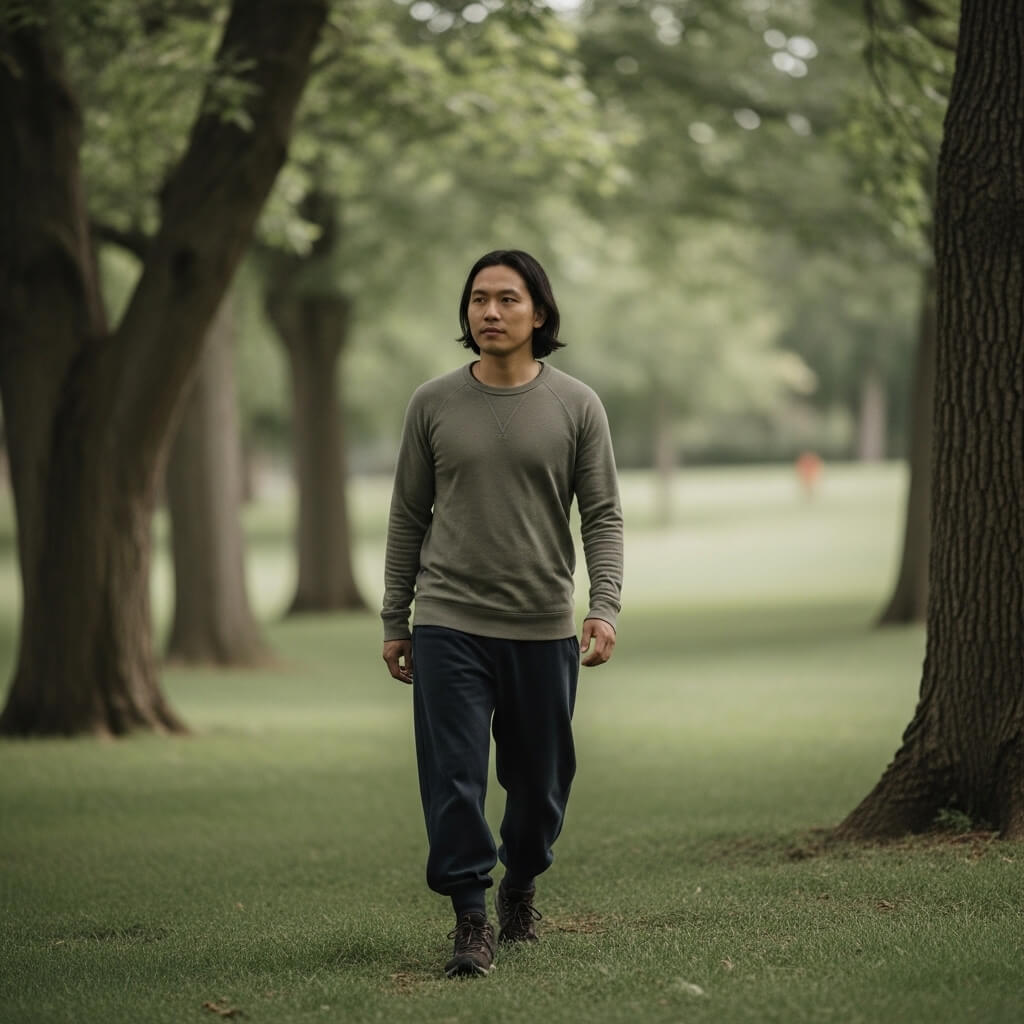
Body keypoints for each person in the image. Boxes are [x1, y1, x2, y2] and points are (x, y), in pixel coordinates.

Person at [380, 249, 624, 978]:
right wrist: (398, 618)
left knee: (540, 782)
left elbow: (603, 515)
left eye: (507, 299)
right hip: (449, 620)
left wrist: (603, 606)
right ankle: (470, 919)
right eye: (478, 299)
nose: (489, 311)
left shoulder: (577, 404)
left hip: (543, 625)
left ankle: (521, 884)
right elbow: (406, 517)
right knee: (453, 775)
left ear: (539, 313)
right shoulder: (433, 403)